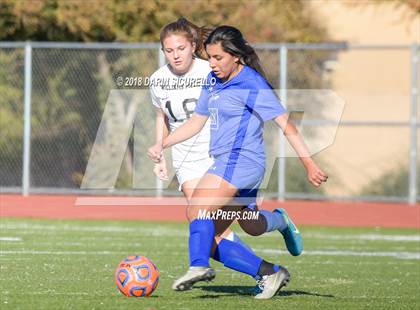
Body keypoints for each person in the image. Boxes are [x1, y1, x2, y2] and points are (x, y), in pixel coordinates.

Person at [148, 25, 328, 299]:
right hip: (231, 165)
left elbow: (286, 125)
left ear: (236, 56)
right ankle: (273, 262)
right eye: (209, 57)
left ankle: (198, 267)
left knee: (198, 210)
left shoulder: (252, 83)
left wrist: (309, 165)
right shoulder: (212, 80)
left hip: (240, 162)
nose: (212, 63)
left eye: (218, 58)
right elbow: (196, 123)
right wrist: (163, 143)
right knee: (240, 229)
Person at [149, 18, 266, 293]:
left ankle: (280, 223)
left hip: (222, 157)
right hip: (187, 162)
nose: (175, 55)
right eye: (169, 50)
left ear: (193, 46)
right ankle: (266, 272)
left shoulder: (210, 70)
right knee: (210, 231)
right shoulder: (157, 80)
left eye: (180, 48)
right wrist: (160, 150)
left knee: (252, 225)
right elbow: (161, 117)